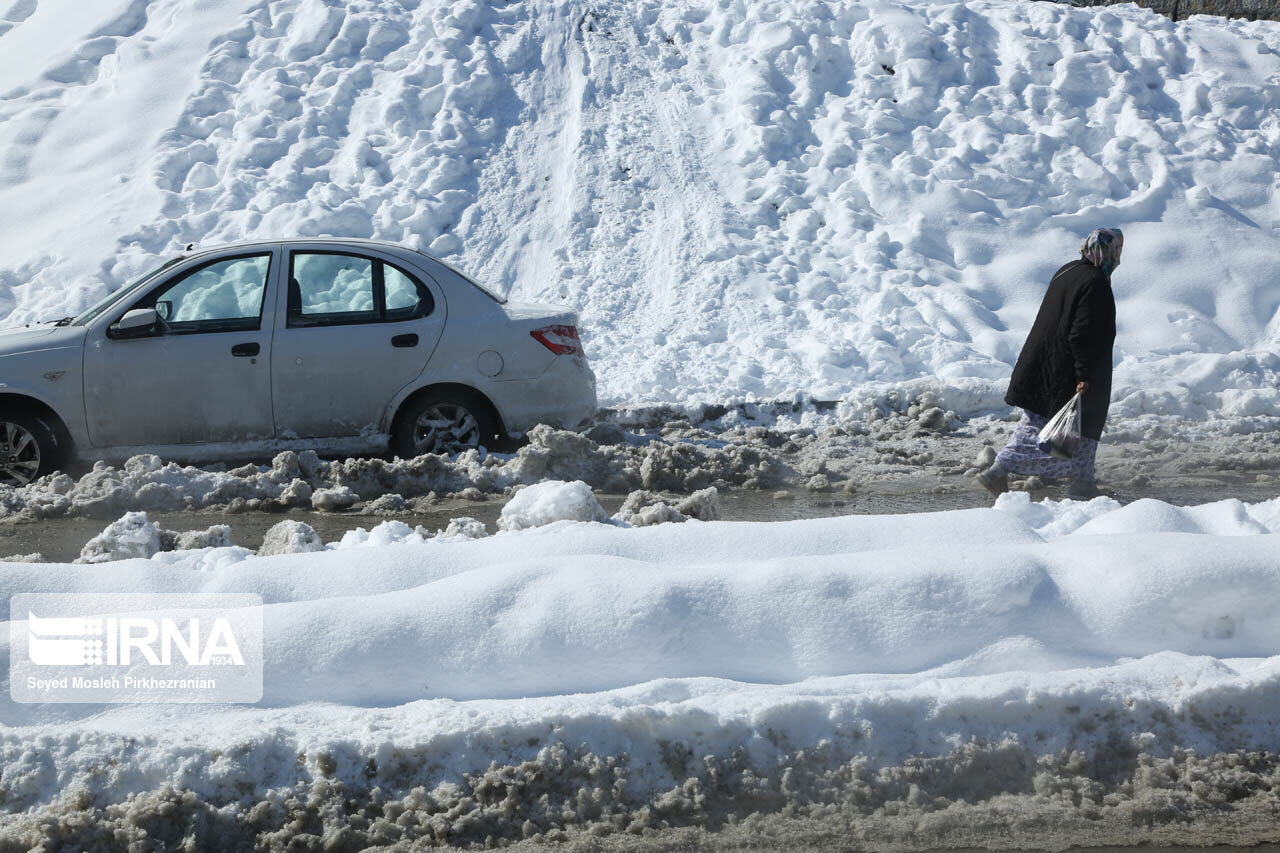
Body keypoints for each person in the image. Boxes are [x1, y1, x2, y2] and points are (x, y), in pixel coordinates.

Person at [976, 228, 1121, 499]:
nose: (1117, 257)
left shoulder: (1070, 270)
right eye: (1115, 250)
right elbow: (1084, 333)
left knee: (1044, 423)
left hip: (1045, 363)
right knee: (1063, 428)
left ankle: (1082, 482)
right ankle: (1002, 470)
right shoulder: (1095, 283)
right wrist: (1085, 374)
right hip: (1067, 370)